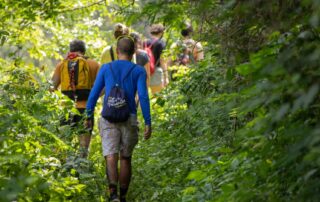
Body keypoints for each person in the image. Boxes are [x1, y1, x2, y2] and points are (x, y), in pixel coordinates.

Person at [85, 36, 152, 202]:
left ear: (117, 51)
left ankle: (112, 194)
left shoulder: (106, 68)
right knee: (125, 157)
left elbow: (93, 94)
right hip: (129, 117)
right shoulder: (138, 71)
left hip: (108, 118)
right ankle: (123, 197)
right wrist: (148, 122)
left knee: (110, 155)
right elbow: (143, 96)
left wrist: (88, 115)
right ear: (134, 52)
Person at [51, 39, 100, 158]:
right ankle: (82, 173)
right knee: (83, 148)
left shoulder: (62, 64)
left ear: (70, 51)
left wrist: (62, 99)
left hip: (66, 110)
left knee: (64, 144)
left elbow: (51, 87)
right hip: (86, 109)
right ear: (84, 51)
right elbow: (102, 87)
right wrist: (94, 97)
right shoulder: (93, 64)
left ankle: (65, 171)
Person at [144, 24, 168, 94]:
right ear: (161, 33)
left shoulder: (144, 42)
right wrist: (166, 77)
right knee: (158, 98)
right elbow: (162, 60)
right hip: (156, 72)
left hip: (145, 71)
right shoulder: (161, 43)